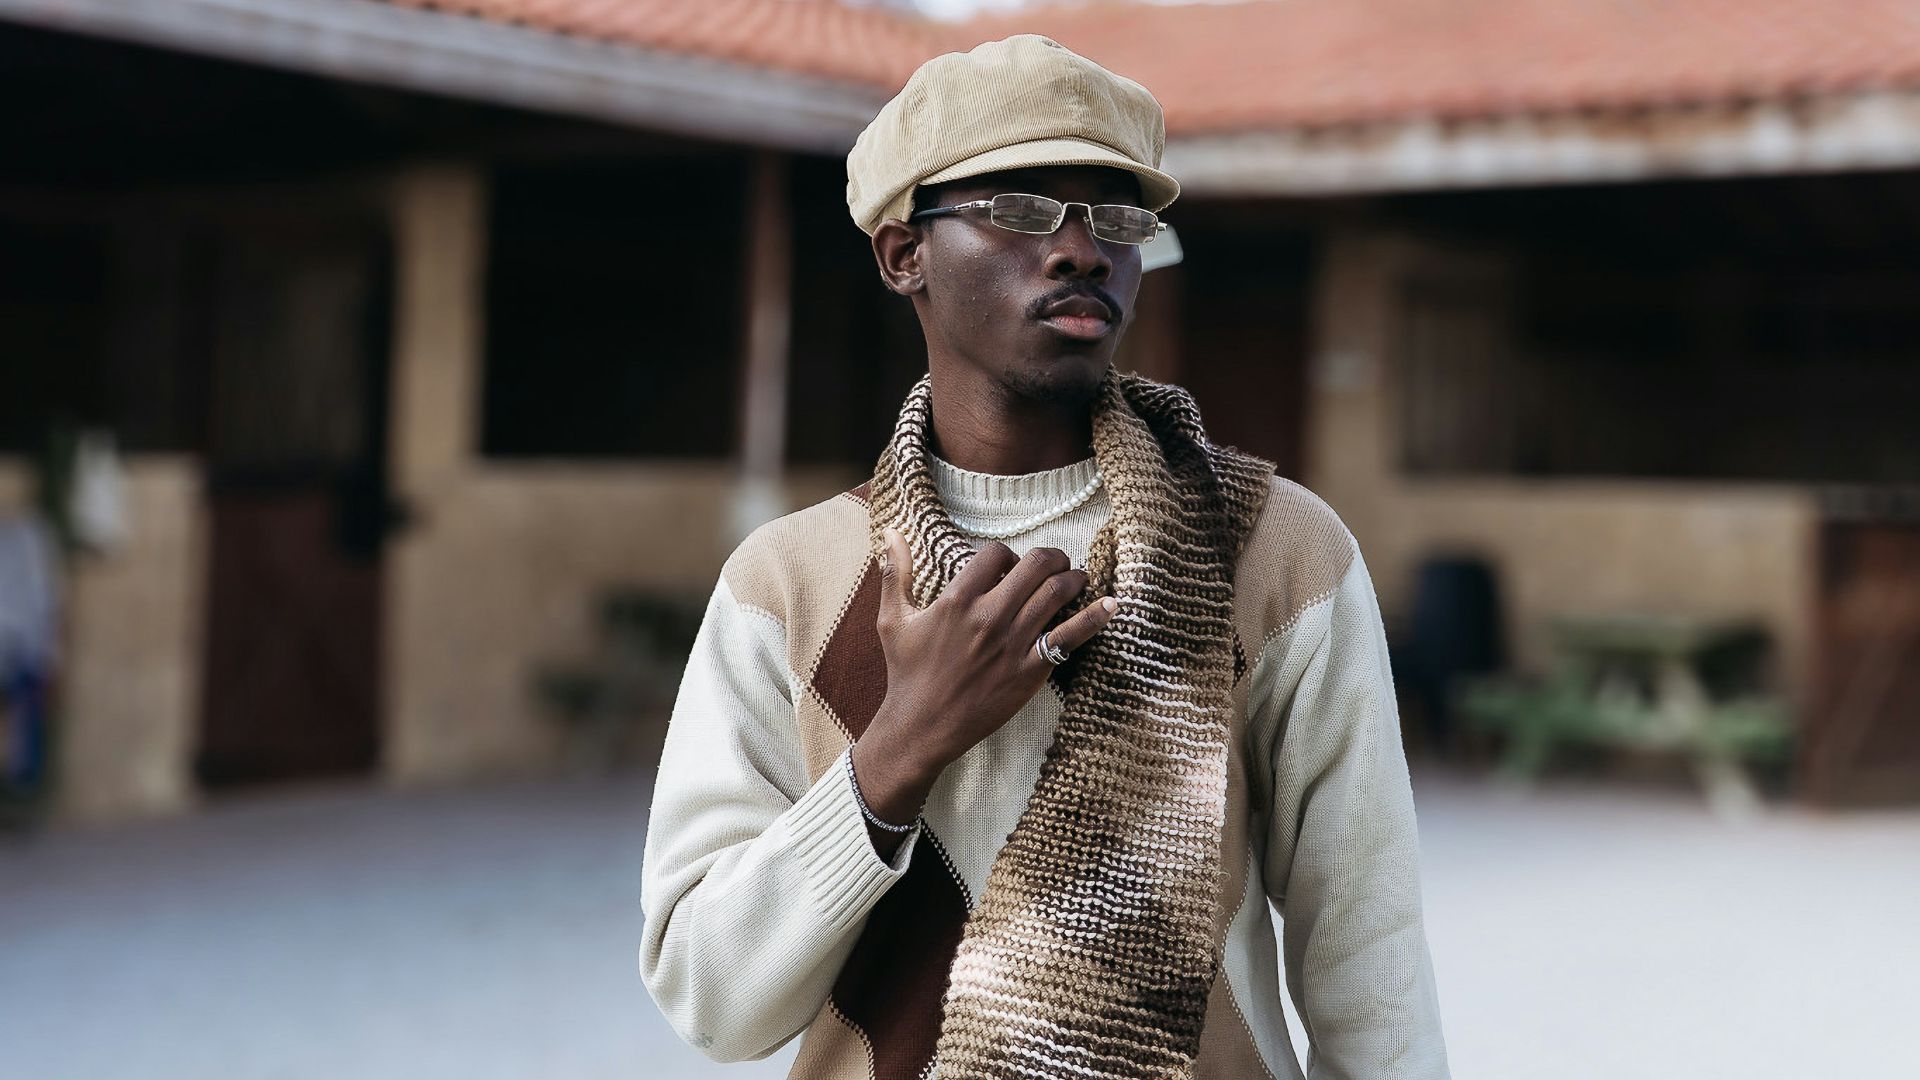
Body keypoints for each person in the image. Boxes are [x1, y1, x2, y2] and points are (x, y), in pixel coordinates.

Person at [640, 35, 1448, 1080]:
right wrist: (902, 748)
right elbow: (711, 1001)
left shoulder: (1274, 554)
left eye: (1117, 219)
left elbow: (1368, 956)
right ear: (903, 253)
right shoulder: (789, 585)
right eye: (1019, 208)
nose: (1079, 250)